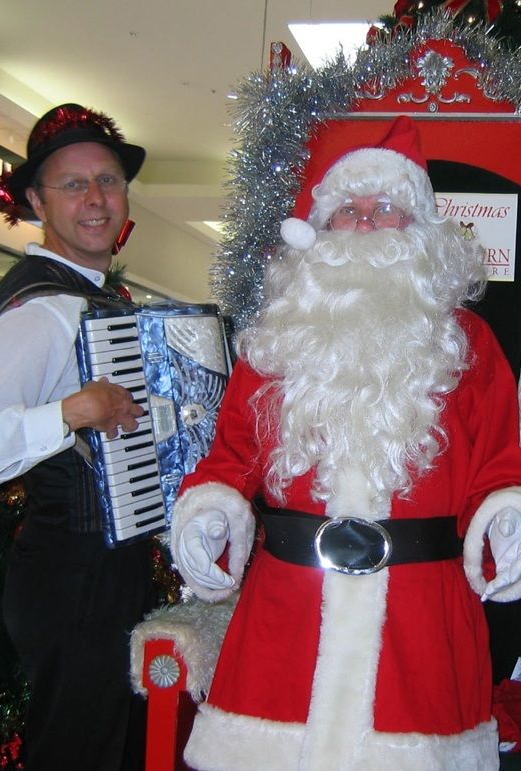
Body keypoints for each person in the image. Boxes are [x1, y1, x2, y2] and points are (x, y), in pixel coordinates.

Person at [169, 116, 521, 771]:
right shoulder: (276, 339)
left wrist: (506, 516)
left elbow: (501, 464)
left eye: (384, 209)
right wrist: (211, 510)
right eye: (346, 212)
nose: (364, 224)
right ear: (319, 231)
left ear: (417, 230)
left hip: (421, 627)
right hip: (287, 616)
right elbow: (231, 456)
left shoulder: (468, 344)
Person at [0, 103, 154, 771]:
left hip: (107, 570)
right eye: (73, 184)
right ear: (36, 201)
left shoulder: (96, 297)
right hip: (71, 573)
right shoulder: (41, 311)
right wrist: (70, 412)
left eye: (107, 180)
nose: (95, 199)